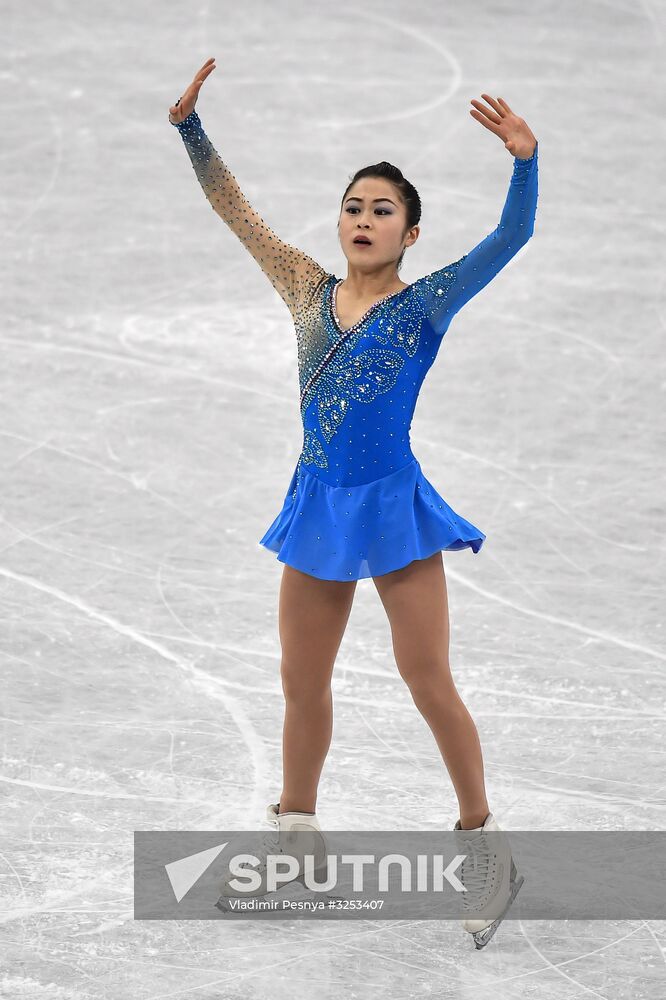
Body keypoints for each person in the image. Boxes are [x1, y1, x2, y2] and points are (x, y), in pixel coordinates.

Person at [169, 58, 538, 945]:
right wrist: (190, 129)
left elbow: (508, 242)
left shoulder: (425, 307)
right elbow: (237, 212)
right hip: (319, 504)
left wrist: (525, 162)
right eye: (354, 206)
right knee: (303, 682)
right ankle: (297, 844)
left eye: (383, 209)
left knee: (427, 679)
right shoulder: (304, 287)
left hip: (392, 507)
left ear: (411, 233)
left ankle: (486, 846)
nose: (364, 219)